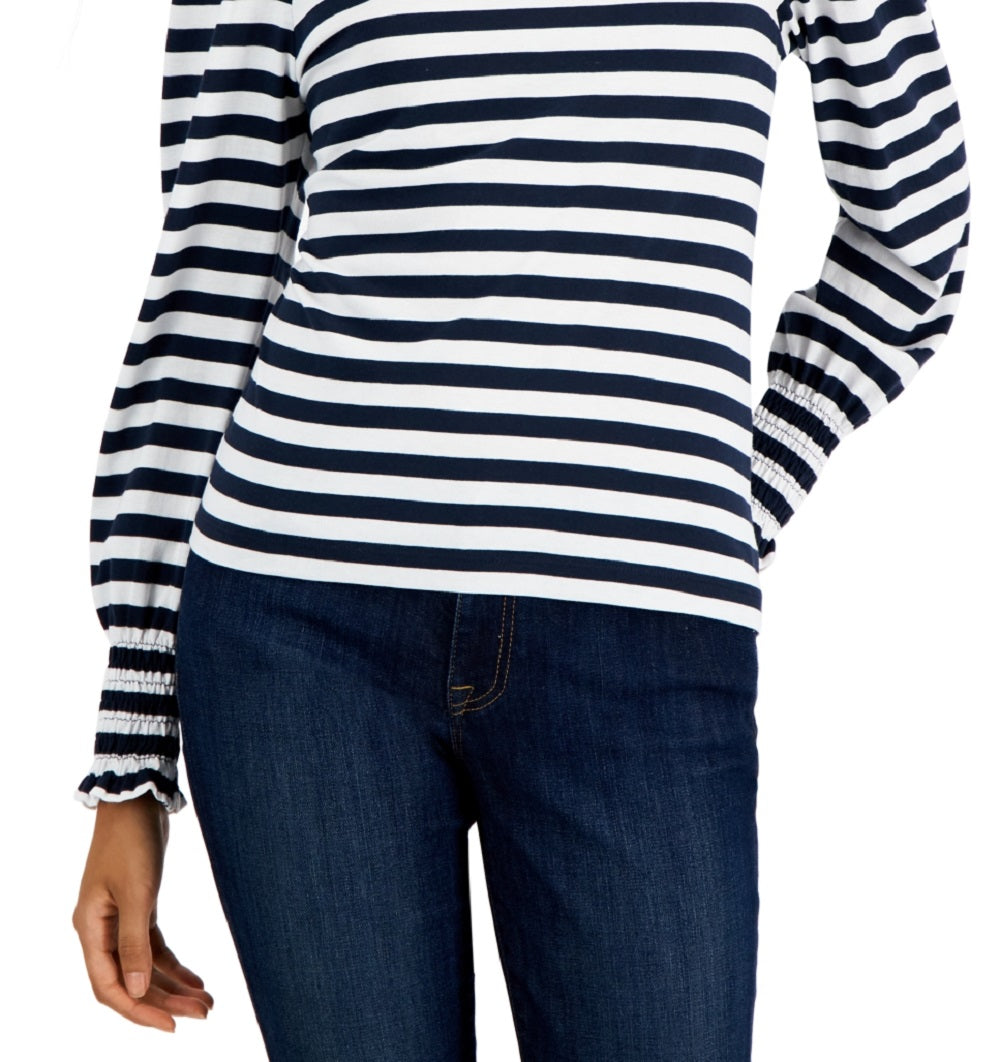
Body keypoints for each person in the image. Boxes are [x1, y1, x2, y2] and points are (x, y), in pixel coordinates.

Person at [71, 0, 972, 1058]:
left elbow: (917, 233)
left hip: (641, 641)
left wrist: (737, 493)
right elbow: (209, 286)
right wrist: (132, 757)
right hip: (300, 632)